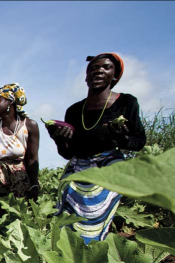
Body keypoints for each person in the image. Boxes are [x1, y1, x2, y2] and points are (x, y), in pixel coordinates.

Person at [50, 53, 146, 243]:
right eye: (93, 68)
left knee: (97, 217)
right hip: (79, 167)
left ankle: (94, 255)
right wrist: (58, 139)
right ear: (86, 77)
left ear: (115, 76)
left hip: (108, 166)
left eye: (106, 67)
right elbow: (67, 153)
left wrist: (122, 137)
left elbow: (139, 141)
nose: (98, 71)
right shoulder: (74, 110)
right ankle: (69, 258)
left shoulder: (126, 102)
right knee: (66, 218)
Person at [0, 83, 40, 226]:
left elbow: (32, 159)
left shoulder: (29, 126)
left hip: (20, 180)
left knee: (19, 220)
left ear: (10, 103)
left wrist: (34, 184)